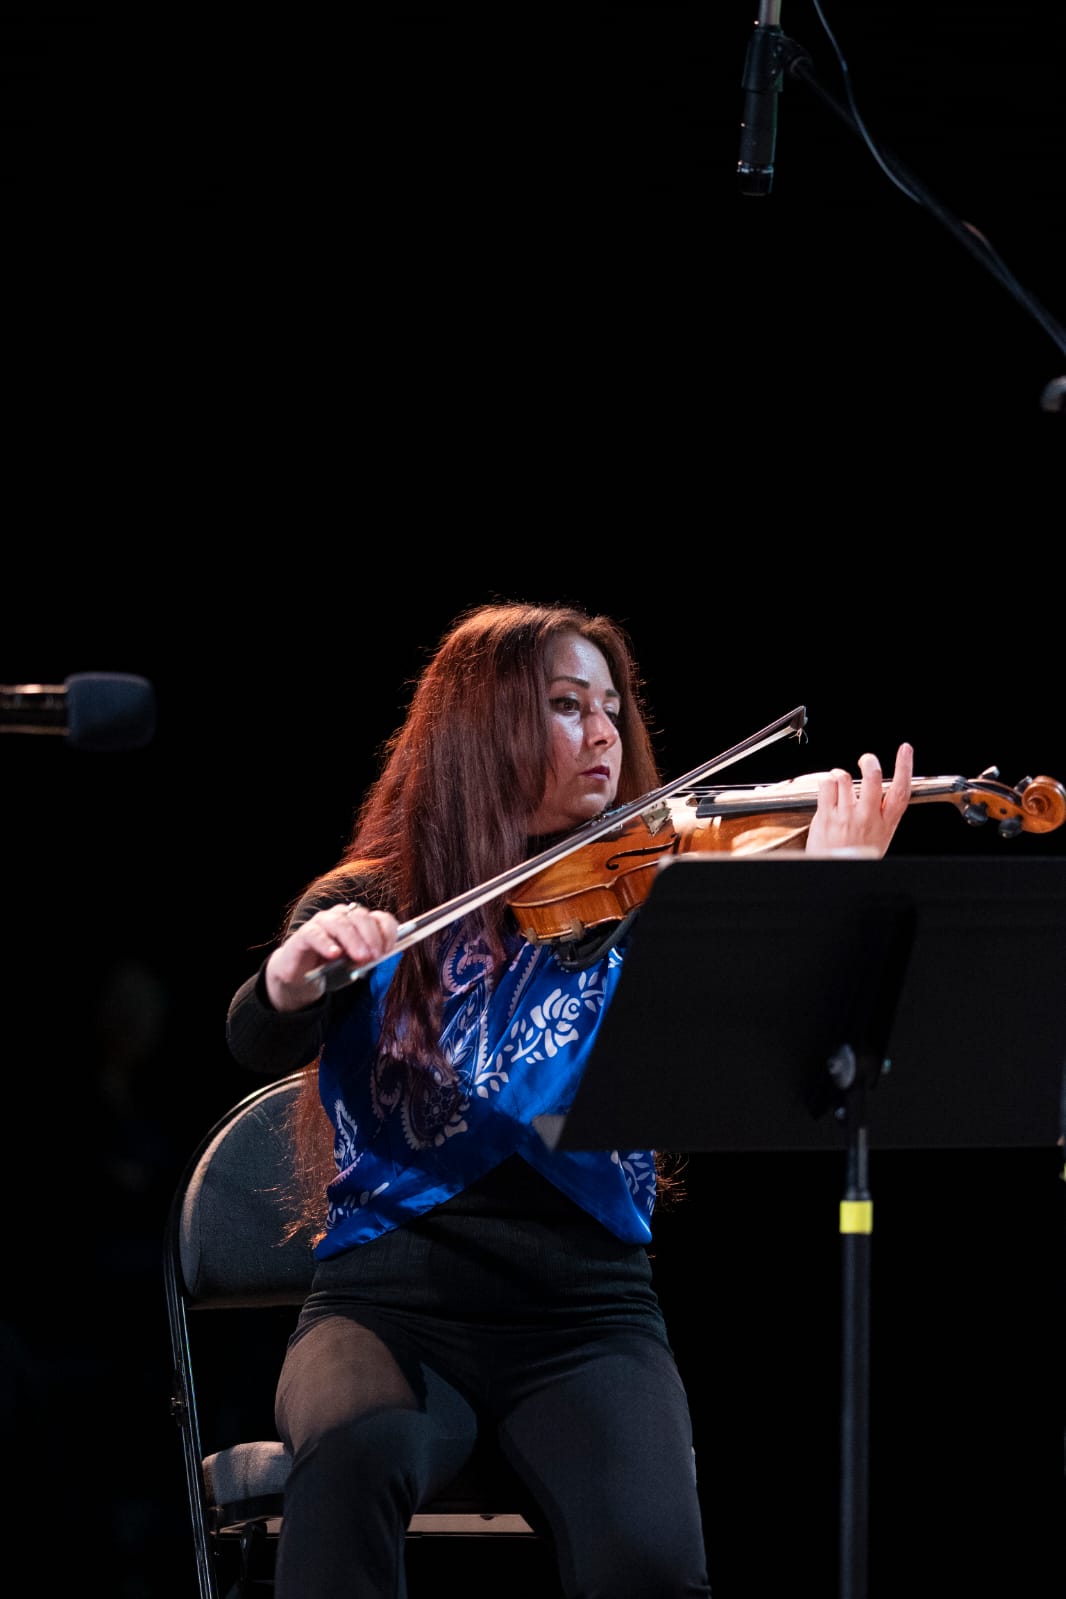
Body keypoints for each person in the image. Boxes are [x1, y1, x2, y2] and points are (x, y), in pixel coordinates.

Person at [225, 599, 914, 1599]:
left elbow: (761, 1073)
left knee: (651, 1561)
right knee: (354, 1450)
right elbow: (260, 1033)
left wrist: (829, 897)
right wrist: (288, 978)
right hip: (385, 1309)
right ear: (482, 725)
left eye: (610, 707)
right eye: (562, 705)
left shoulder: (659, 899)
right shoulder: (371, 907)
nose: (601, 735)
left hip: (590, 1318)